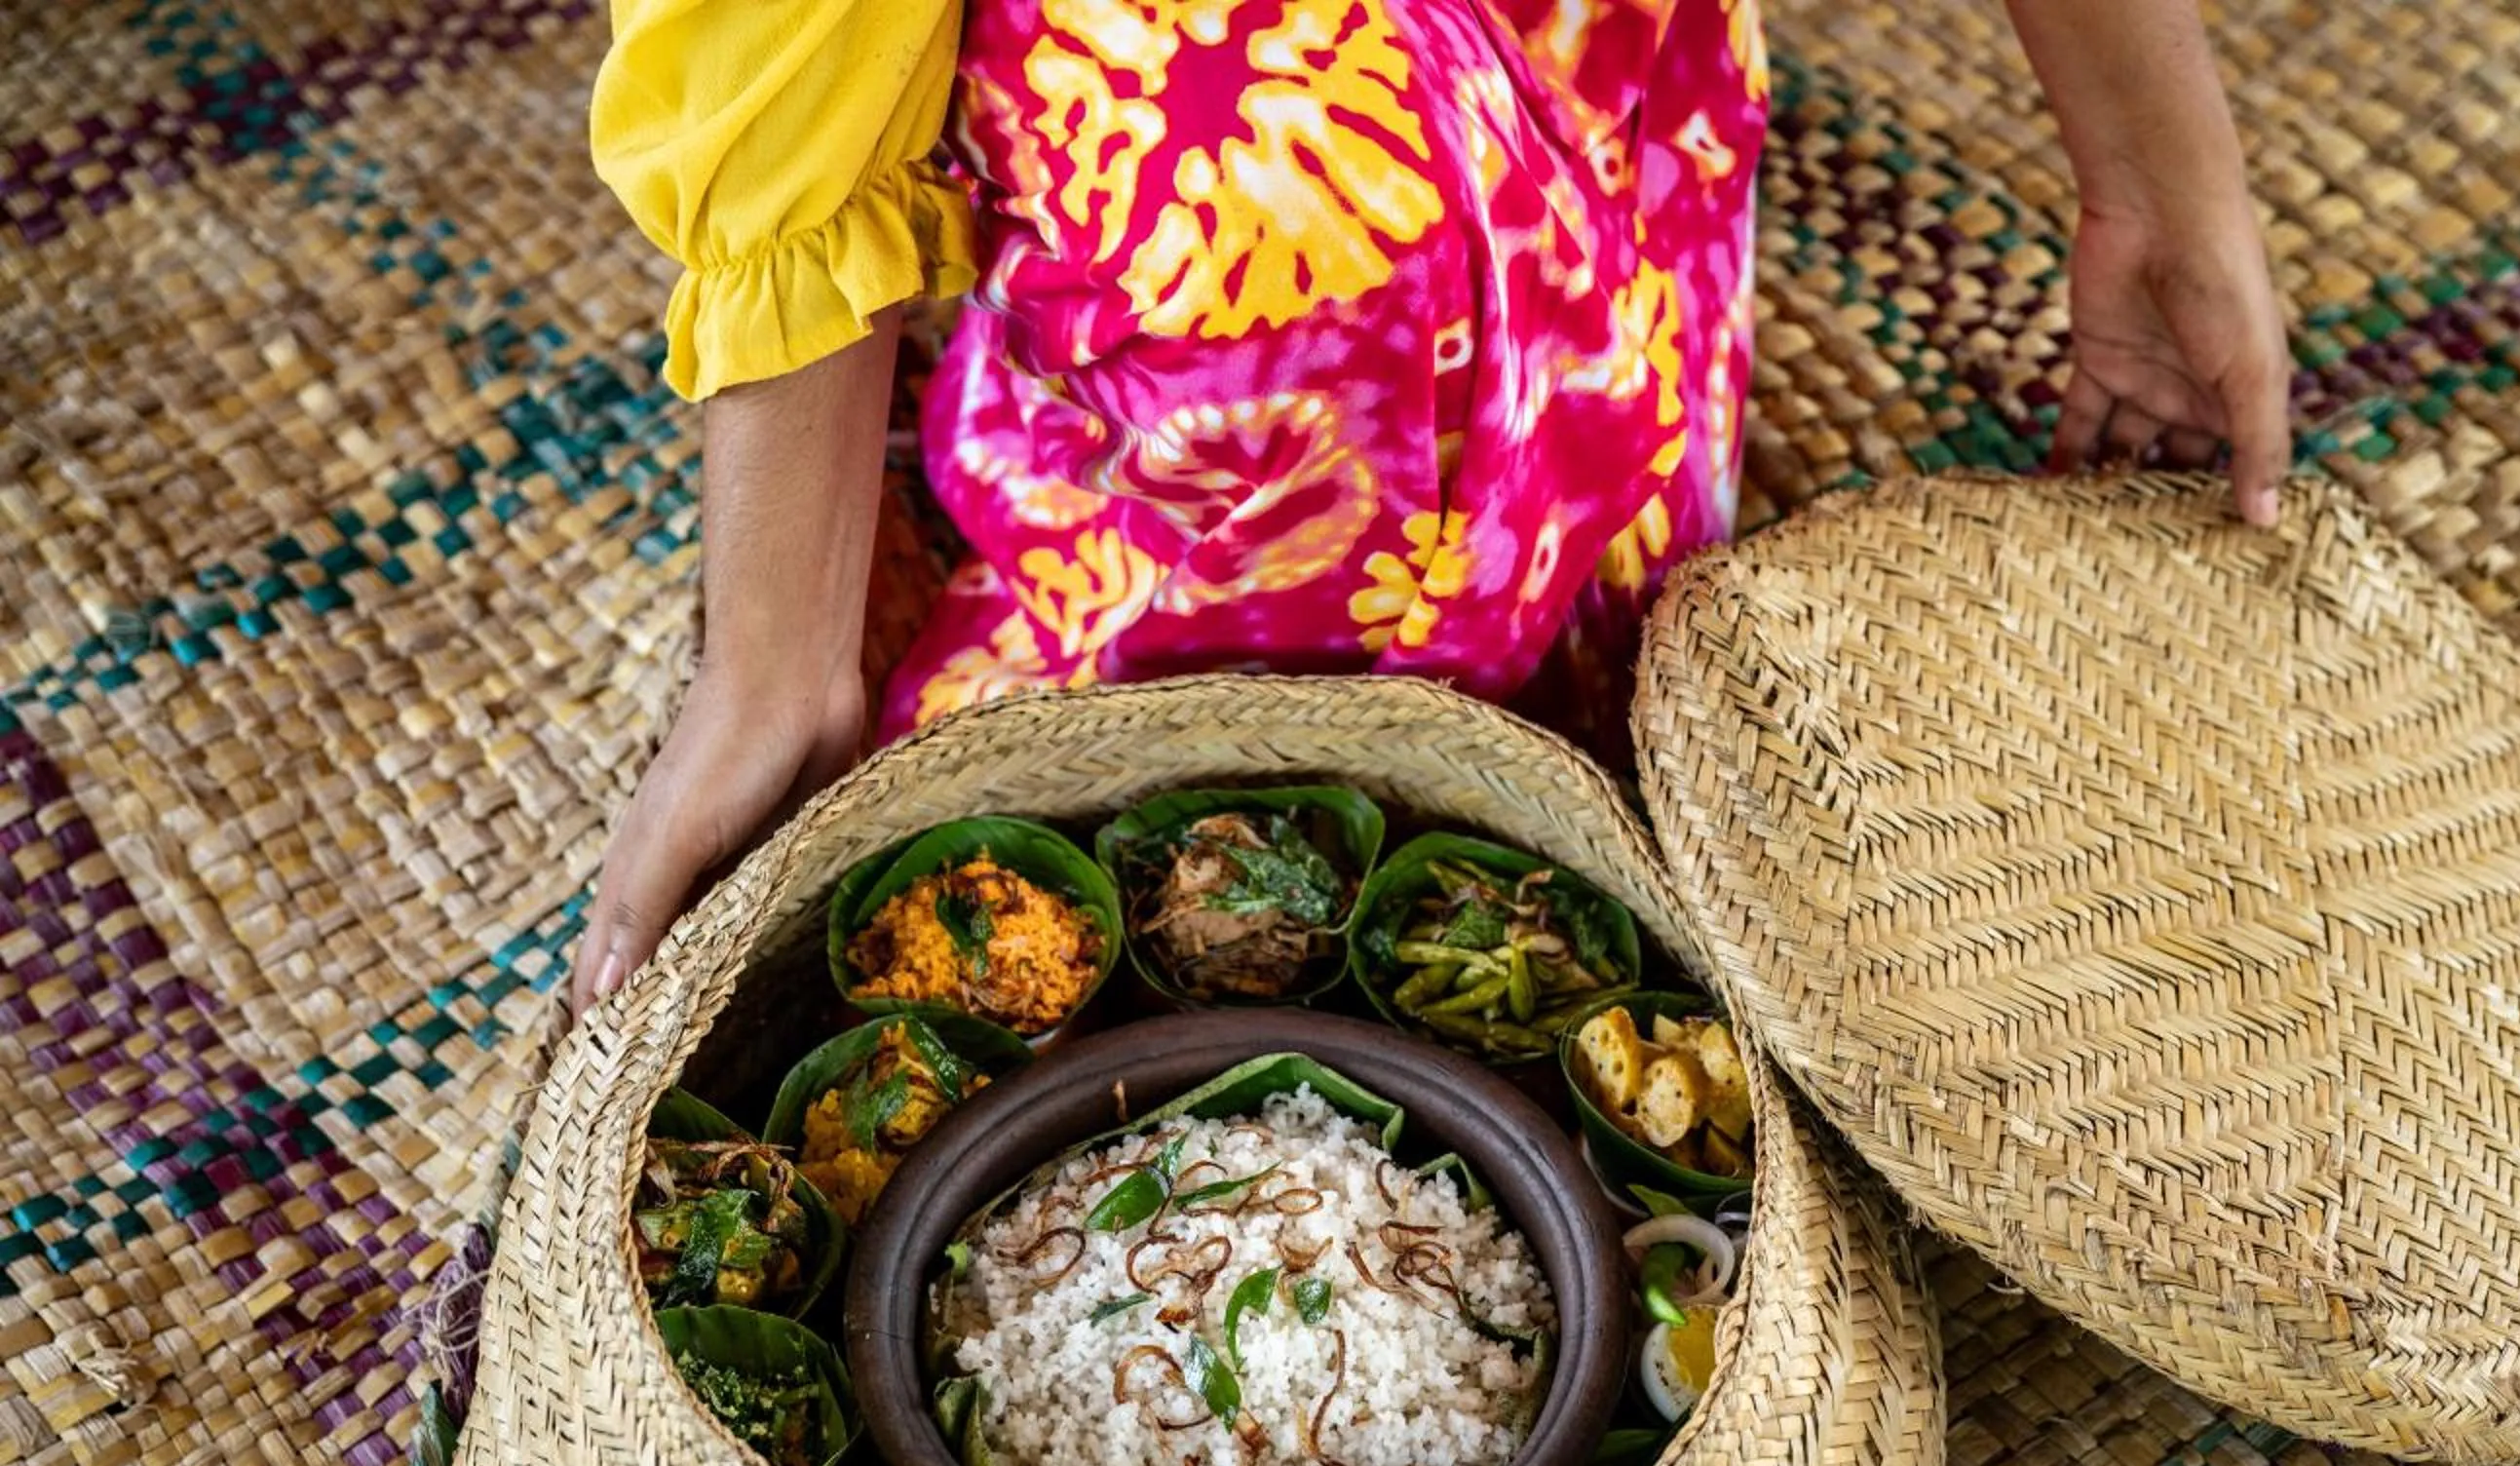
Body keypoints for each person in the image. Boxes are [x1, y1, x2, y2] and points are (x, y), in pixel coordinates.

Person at [568, 0, 2290, 1016]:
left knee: (1580, 375)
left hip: (1599, 104)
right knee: (1307, 235)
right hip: (1229, 206)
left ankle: (1569, 607)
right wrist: (775, 662)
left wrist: (2153, 182)